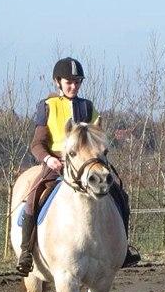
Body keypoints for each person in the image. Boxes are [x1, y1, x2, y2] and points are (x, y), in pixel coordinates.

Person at [16, 57, 140, 276]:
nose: (73, 86)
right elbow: (37, 144)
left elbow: (96, 136)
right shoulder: (48, 106)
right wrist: (48, 159)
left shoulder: (87, 106)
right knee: (33, 196)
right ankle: (26, 251)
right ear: (58, 82)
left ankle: (123, 248)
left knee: (119, 193)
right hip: (56, 162)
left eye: (77, 82)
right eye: (69, 82)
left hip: (86, 163)